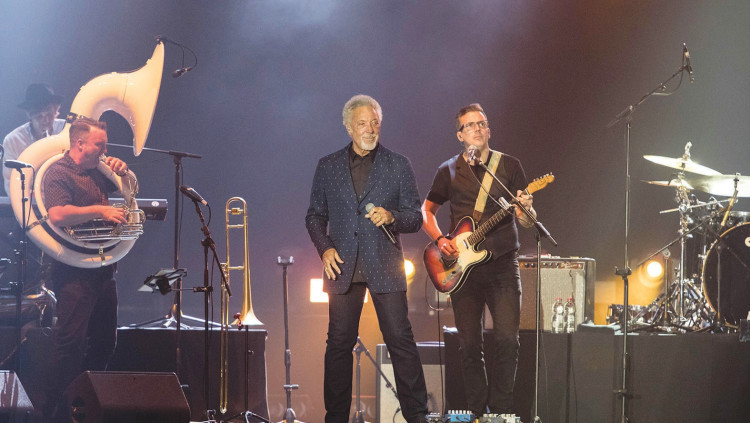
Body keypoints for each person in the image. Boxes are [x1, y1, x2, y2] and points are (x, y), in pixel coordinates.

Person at [306, 94, 428, 423]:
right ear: (349, 127)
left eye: (375, 123)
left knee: (400, 340)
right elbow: (314, 216)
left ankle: (418, 416)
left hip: (384, 264)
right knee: (338, 344)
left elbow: (416, 218)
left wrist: (392, 216)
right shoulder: (328, 165)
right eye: (363, 124)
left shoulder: (398, 164)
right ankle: (336, 418)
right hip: (342, 265)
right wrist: (325, 248)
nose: (370, 129)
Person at [421, 103, 535, 415]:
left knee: (508, 341)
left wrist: (526, 209)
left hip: (502, 265)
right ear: (460, 135)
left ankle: (501, 411)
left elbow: (526, 221)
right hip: (464, 271)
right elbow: (426, 211)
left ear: (489, 130)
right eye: (469, 125)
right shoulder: (448, 170)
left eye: (481, 123)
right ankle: (477, 413)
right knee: (469, 345)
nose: (476, 129)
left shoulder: (509, 166)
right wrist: (440, 239)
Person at [41, 117, 131, 422]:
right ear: (80, 144)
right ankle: (53, 413)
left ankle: (84, 406)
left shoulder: (100, 171)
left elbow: (130, 190)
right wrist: (100, 210)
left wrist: (123, 171)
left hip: (103, 266)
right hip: (74, 271)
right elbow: (57, 215)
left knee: (105, 343)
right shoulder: (58, 172)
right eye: (100, 145)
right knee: (69, 345)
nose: (105, 151)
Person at [3, 83, 66, 195]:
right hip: (30, 202)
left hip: (64, 199)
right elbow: (11, 183)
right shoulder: (13, 140)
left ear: (56, 110)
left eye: (49, 115)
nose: (45, 120)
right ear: (29, 115)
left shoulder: (66, 130)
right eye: (39, 116)